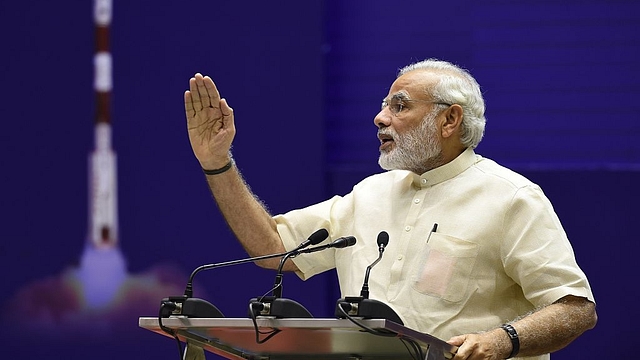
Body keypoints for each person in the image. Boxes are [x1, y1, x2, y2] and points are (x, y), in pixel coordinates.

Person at [183, 58, 597, 359]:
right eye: (384, 106)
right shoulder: (369, 194)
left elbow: (575, 308)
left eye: (399, 106)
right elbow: (271, 244)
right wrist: (217, 162)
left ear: (449, 120)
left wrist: (503, 339)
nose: (380, 118)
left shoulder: (512, 197)